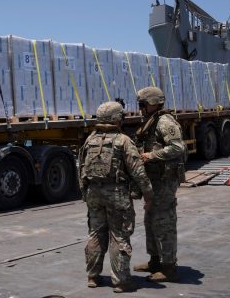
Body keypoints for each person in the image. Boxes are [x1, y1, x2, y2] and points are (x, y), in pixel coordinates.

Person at [79, 101, 153, 293]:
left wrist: (85, 194)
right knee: (119, 235)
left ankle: (93, 276)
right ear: (117, 119)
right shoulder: (123, 140)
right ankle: (121, 281)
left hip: (93, 194)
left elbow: (81, 168)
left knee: (95, 233)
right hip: (117, 195)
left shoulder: (90, 140)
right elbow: (138, 172)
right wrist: (148, 195)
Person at [132, 86, 186, 283]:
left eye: (143, 104)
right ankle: (155, 261)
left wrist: (152, 155)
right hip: (154, 181)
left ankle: (169, 266)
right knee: (150, 221)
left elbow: (177, 147)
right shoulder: (151, 120)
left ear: (153, 103)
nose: (140, 108)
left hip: (164, 181)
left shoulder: (164, 122)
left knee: (164, 223)